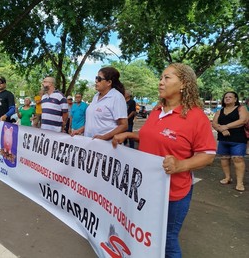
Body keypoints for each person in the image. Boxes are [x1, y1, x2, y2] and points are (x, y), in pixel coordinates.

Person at [112, 63, 216, 258]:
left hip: (174, 192)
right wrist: (128, 135)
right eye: (161, 77)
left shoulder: (196, 116)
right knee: (146, 233)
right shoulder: (157, 110)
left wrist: (180, 165)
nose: (161, 82)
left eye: (167, 78)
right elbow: (153, 137)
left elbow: (208, 155)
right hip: (145, 188)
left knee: (167, 240)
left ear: (184, 84)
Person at [212, 91, 249, 192]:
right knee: (224, 159)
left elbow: (243, 121)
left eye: (230, 97)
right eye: (226, 97)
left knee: (238, 159)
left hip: (238, 139)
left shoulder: (241, 108)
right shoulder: (220, 111)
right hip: (223, 139)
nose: (227, 98)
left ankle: (240, 183)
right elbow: (214, 123)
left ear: (235, 99)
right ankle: (227, 177)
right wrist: (222, 129)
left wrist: (226, 126)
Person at [84, 67, 128, 140]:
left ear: (109, 82)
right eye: (96, 78)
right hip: (90, 145)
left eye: (99, 79)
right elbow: (93, 122)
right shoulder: (96, 96)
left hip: (106, 147)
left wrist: (104, 137)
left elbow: (124, 125)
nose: (96, 81)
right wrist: (80, 130)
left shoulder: (117, 97)